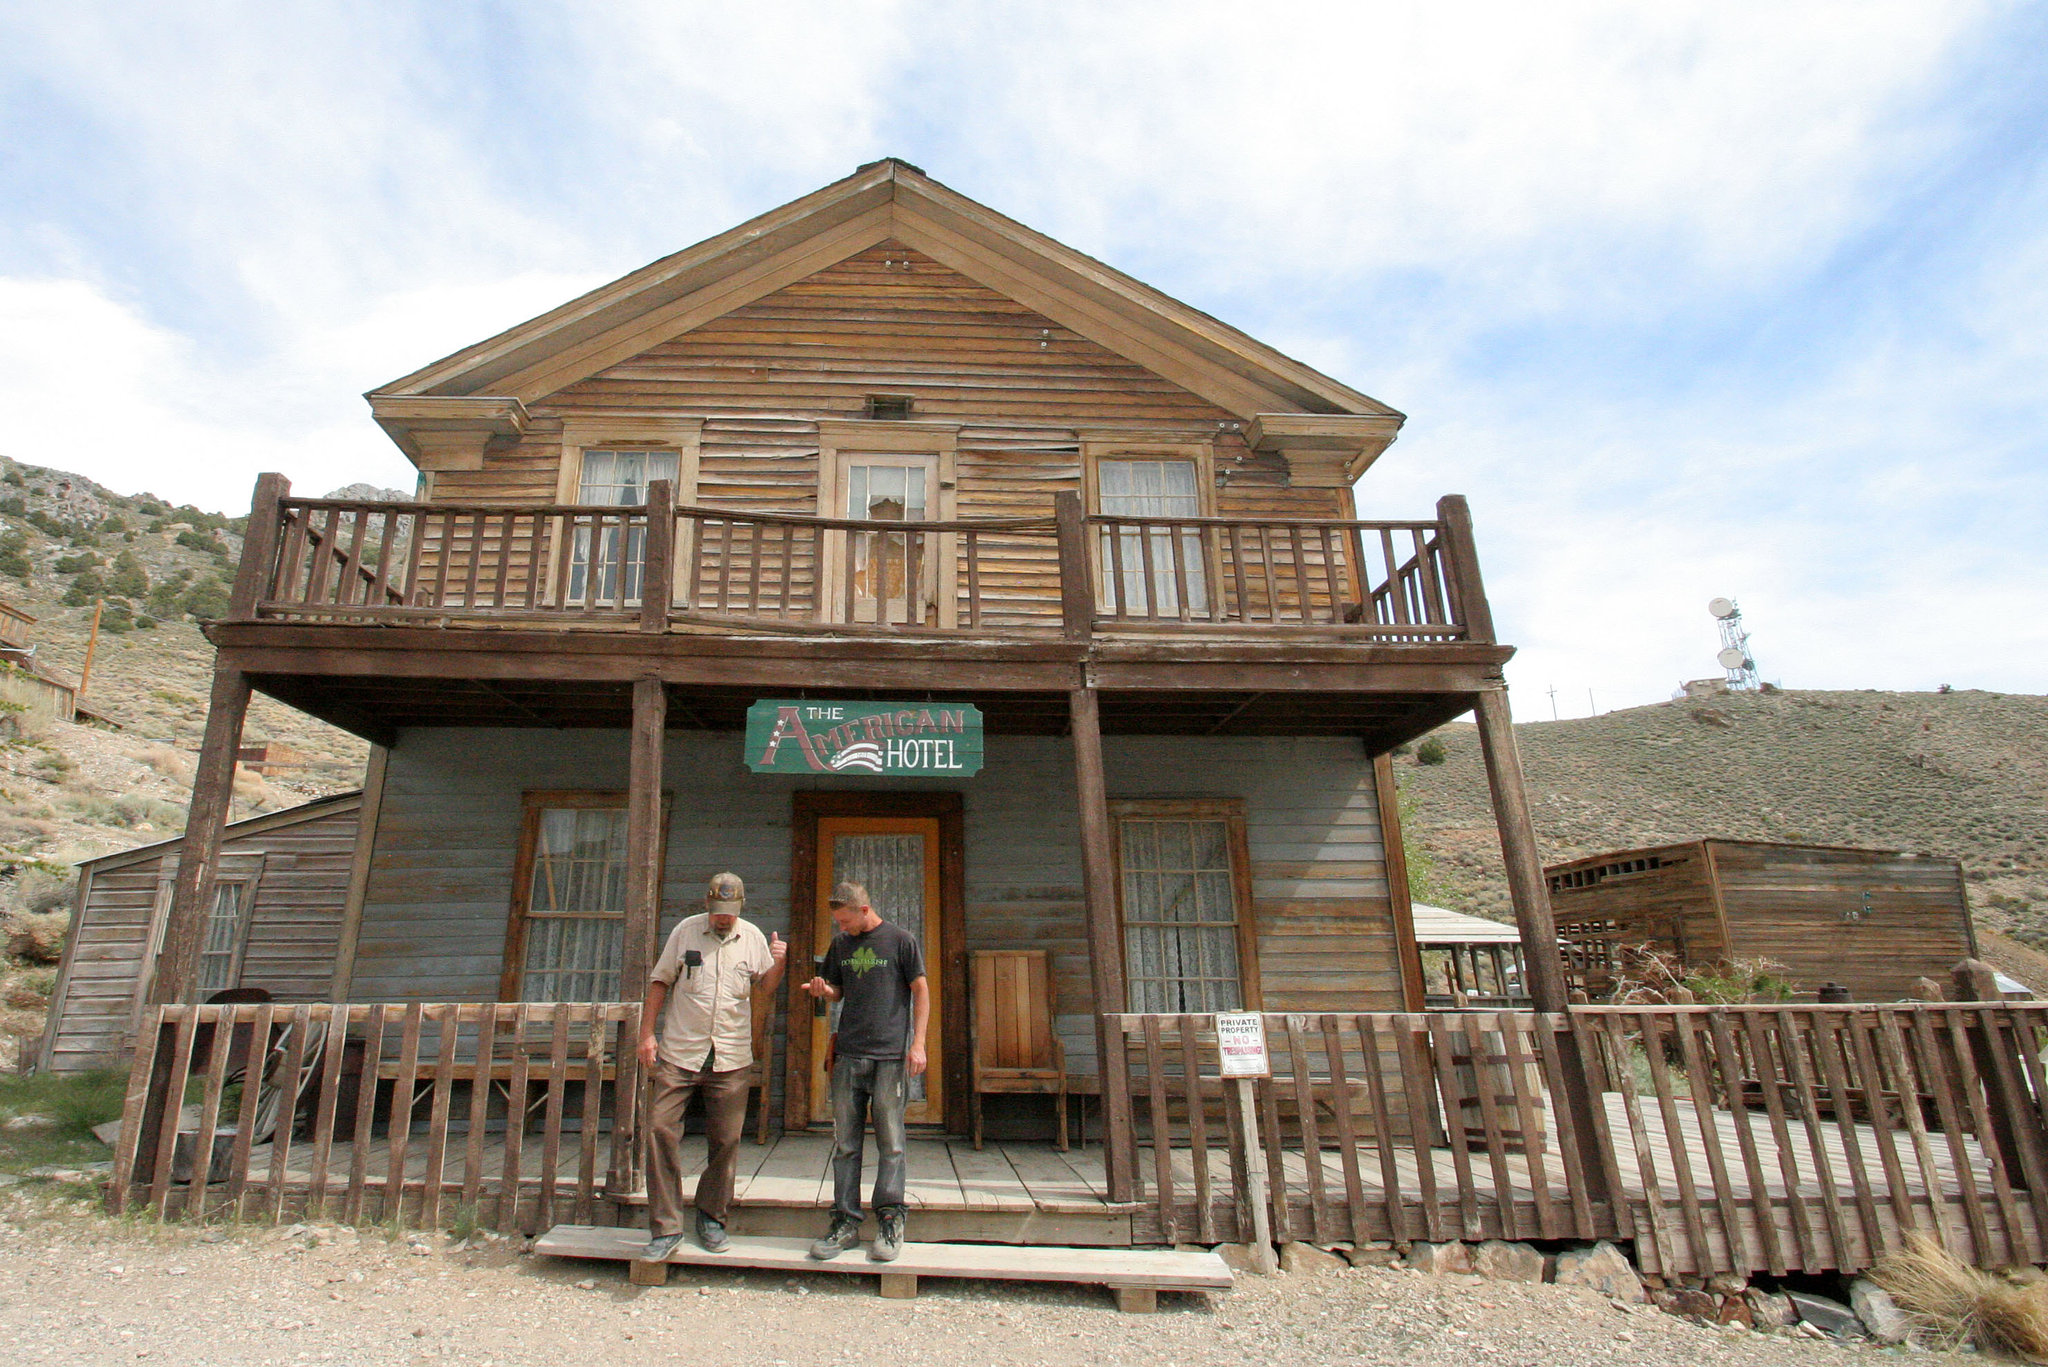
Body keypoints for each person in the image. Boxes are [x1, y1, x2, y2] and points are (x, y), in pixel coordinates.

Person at [638, 872, 786, 1258]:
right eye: (718, 911)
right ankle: (666, 1228)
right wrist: (646, 1034)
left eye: (730, 912)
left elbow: (765, 988)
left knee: (726, 1140)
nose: (724, 918)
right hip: (680, 1052)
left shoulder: (752, 937)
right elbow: (660, 981)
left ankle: (711, 1217)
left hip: (731, 1056)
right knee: (659, 1129)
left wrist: (779, 964)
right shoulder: (685, 933)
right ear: (707, 904)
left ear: (740, 908)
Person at [801, 881, 928, 1263]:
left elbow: (921, 991)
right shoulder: (841, 945)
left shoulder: (901, 941)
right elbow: (838, 991)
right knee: (845, 1143)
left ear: (864, 909)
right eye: (837, 921)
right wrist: (823, 990)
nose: (840, 927)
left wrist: (918, 1044)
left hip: (890, 1055)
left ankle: (890, 1220)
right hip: (849, 1055)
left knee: (891, 1142)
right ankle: (845, 1222)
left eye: (845, 920)